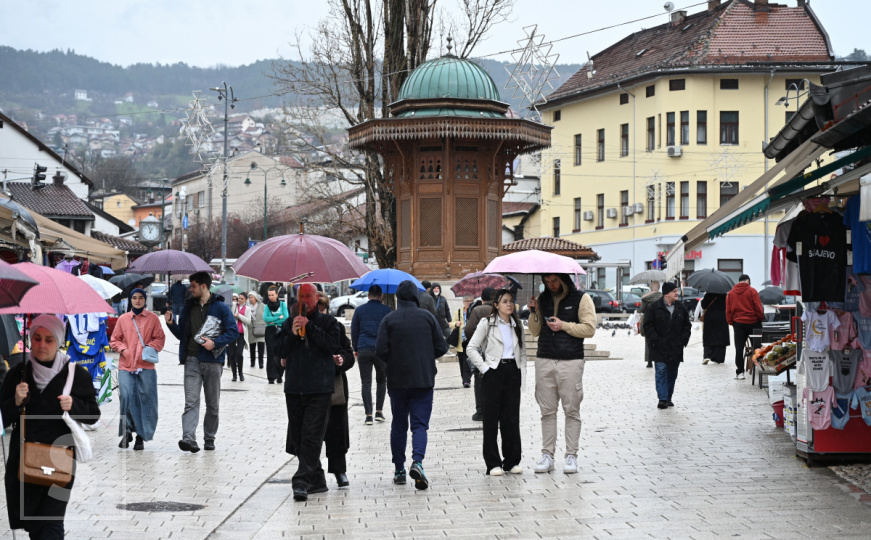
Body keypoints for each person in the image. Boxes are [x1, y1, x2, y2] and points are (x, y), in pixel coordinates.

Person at [1, 315, 100, 538]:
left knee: (52, 523)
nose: (42, 345)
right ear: (29, 339)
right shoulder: (18, 374)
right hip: (24, 459)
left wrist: (74, 405)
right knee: (35, 526)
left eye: (48, 340)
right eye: (36, 338)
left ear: (58, 341)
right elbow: (2, 420)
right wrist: (15, 402)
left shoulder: (76, 375)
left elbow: (93, 415)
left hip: (60, 458)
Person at [376, 280, 448, 490]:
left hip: (398, 381)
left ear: (398, 297)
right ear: (416, 298)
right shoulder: (428, 318)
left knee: (399, 424)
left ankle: (399, 469)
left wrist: (394, 360)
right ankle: (417, 462)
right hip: (423, 379)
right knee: (419, 425)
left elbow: (380, 350)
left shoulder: (389, 319)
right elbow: (441, 347)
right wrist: (426, 357)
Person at [274, 283, 342, 502]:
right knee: (299, 438)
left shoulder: (329, 323)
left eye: (308, 297)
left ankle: (301, 481)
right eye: (301, 296)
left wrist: (310, 327)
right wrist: (293, 334)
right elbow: (280, 351)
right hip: (294, 388)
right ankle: (318, 480)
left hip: (320, 388)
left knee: (312, 436)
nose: (304, 301)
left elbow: (332, 345)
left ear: (316, 297)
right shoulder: (288, 323)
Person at [527, 274, 596, 474]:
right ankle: (547, 455)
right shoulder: (543, 299)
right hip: (544, 359)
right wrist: (534, 312)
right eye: (547, 282)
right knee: (547, 411)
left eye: (554, 281)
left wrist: (563, 325)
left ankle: (571, 455)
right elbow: (534, 331)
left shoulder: (581, 298)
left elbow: (590, 329)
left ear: (563, 279)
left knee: (571, 410)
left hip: (571, 361)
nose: (551, 285)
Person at [165, 271, 239, 453]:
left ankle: (209, 437)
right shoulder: (188, 307)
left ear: (203, 286)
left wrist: (215, 343)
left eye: (193, 286)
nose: (191, 290)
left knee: (212, 404)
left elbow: (233, 332)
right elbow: (183, 335)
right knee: (191, 402)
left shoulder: (221, 307)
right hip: (191, 360)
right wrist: (171, 324)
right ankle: (188, 438)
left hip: (213, 361)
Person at [466, 289, 527, 476]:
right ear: (496, 305)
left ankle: (512, 461)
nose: (509, 304)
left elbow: (522, 352)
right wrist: (485, 369)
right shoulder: (487, 323)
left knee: (511, 419)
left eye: (511, 301)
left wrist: (521, 373)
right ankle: (493, 463)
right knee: (491, 420)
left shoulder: (517, 324)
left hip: (512, 372)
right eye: (505, 301)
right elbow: (471, 348)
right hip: (493, 371)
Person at [110, 288, 166, 450]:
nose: (137, 301)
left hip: (146, 367)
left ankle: (141, 436)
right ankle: (127, 433)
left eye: (140, 298)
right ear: (130, 300)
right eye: (134, 298)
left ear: (144, 300)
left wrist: (148, 347)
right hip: (125, 366)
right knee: (126, 398)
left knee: (144, 401)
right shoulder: (123, 319)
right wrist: (123, 350)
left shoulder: (153, 319)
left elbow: (160, 339)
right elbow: (114, 340)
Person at [316, 292, 355, 489]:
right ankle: (313, 471)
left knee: (337, 432)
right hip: (311, 387)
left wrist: (341, 359)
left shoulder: (336, 327)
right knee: (312, 433)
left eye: (323, 308)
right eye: (318, 308)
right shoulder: (301, 326)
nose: (321, 312)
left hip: (334, 387)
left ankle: (339, 470)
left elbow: (349, 353)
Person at [642, 282, 692, 409]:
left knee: (672, 373)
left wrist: (683, 340)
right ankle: (662, 399)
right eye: (674, 291)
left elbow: (687, 325)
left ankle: (668, 397)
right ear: (667, 293)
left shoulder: (680, 307)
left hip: (675, 347)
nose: (677, 293)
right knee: (661, 371)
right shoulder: (654, 307)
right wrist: (654, 340)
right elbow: (648, 325)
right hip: (659, 347)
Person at [350, 285, 391, 425]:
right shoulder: (387, 311)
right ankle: (379, 412)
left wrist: (356, 348)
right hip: (381, 350)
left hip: (363, 349)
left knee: (366, 382)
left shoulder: (359, 310)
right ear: (381, 296)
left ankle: (368, 415)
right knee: (382, 381)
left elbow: (354, 331)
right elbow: (390, 332)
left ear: (368, 296)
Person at [464, 287, 497, 421]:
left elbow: (469, 330)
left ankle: (481, 411)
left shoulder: (477, 310)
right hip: (497, 351)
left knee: (480, 380)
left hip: (481, 351)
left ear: (482, 299)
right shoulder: (500, 309)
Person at [726, 274, 764, 380]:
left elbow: (728, 310)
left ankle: (740, 373)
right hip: (753, 323)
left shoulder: (731, 293)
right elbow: (758, 307)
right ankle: (759, 367)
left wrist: (731, 322)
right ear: (748, 281)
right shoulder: (752, 291)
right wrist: (760, 319)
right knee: (757, 347)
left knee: (739, 348)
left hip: (738, 324)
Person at [264, 286, 289, 384]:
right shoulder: (266, 306)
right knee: (271, 354)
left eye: (272, 295)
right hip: (270, 331)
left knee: (280, 353)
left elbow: (286, 317)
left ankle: (279, 375)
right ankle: (271, 376)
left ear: (277, 295)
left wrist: (273, 320)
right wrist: (278, 317)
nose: (271, 297)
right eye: (269, 295)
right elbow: (266, 319)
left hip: (280, 330)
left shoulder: (282, 305)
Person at [451, 295, 474, 388]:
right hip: (461, 341)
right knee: (461, 361)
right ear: (463, 302)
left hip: (471, 340)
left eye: (470, 301)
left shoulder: (474, 311)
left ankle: (467, 380)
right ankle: (464, 379)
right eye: (466, 301)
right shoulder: (459, 312)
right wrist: (455, 324)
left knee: (468, 360)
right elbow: (452, 324)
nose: (468, 303)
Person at [700, 292, 729, 365]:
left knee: (708, 336)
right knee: (721, 337)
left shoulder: (708, 294)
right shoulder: (724, 295)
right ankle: (719, 358)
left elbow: (703, 305)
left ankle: (707, 355)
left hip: (710, 317)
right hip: (722, 317)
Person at [639, 282, 663, 368]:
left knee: (648, 341)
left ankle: (649, 361)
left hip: (648, 321)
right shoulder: (662, 297)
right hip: (660, 321)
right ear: (658, 287)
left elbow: (641, 310)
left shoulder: (646, 298)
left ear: (651, 287)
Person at [228, 294, 248, 381]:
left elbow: (249, 321)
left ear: (246, 300)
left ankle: (241, 373)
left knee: (239, 353)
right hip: (232, 333)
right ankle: (234, 375)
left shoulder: (247, 309)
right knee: (232, 354)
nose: (239, 300)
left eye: (242, 299)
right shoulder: (233, 306)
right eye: (239, 298)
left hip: (241, 334)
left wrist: (239, 316)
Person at [245, 292, 266, 369]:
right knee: (252, 347)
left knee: (261, 347)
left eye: (252, 297)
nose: (251, 299)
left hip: (261, 328)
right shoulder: (247, 306)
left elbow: (266, 316)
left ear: (256, 298)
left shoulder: (263, 306)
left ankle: (261, 363)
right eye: (249, 297)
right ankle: (252, 362)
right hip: (251, 328)